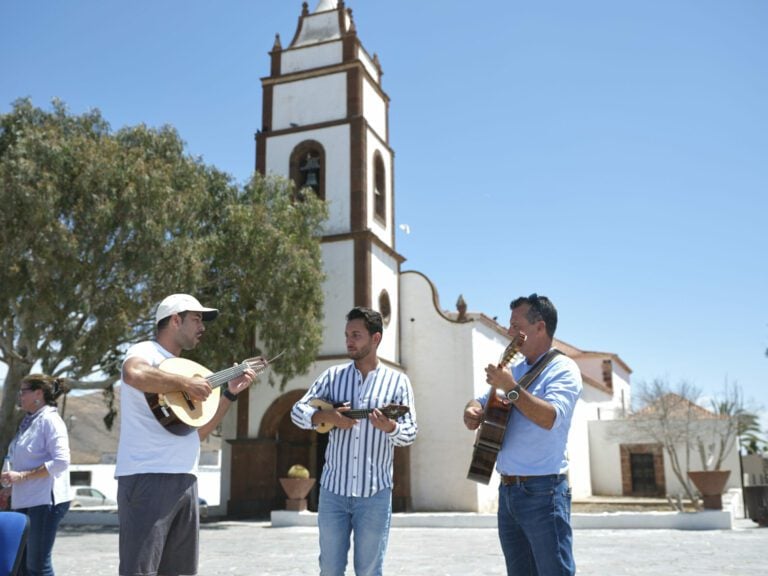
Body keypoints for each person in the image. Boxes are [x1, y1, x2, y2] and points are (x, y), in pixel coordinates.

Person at [115, 293, 256, 576]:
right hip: (147, 476)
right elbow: (132, 373)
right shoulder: (146, 351)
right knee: (139, 570)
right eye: (196, 319)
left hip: (186, 480)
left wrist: (229, 393)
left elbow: (197, 434)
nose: (202, 327)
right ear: (175, 320)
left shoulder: (184, 371)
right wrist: (185, 383)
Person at [291, 306, 418, 576]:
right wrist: (326, 416)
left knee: (370, 570)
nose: (349, 341)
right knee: (329, 568)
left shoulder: (397, 382)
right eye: (347, 334)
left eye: (357, 335)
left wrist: (391, 427)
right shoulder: (331, 376)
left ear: (376, 338)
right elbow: (297, 411)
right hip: (333, 493)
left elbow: (410, 432)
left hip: (375, 495)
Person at [463, 294, 582, 576]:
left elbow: (549, 417)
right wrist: (472, 410)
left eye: (516, 326)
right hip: (508, 492)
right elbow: (479, 400)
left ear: (539, 327)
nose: (509, 332)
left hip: (544, 492)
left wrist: (511, 388)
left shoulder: (563, 369)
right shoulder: (515, 370)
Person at [1, 374, 72, 576]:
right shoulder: (28, 422)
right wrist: (9, 488)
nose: (19, 396)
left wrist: (21, 477)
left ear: (38, 394)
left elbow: (61, 461)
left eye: (23, 391)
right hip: (24, 500)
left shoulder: (50, 421)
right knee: (20, 566)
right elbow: (18, 457)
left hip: (45, 501)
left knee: (37, 565)